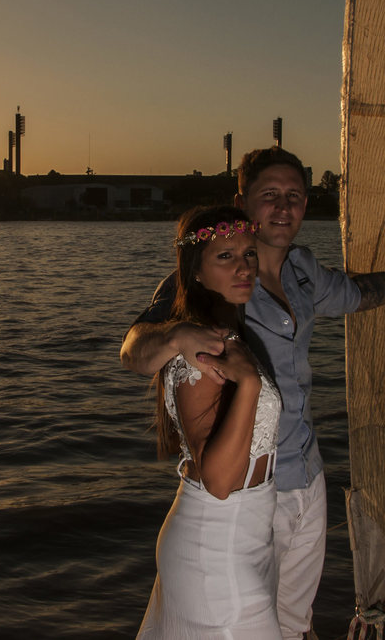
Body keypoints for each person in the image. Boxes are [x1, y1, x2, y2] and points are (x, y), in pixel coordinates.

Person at [122, 147, 385, 640]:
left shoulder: (304, 271)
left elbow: (362, 292)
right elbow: (134, 348)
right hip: (252, 493)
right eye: (270, 196)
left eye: (296, 197)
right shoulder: (211, 278)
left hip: (308, 474)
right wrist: (175, 338)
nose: (284, 208)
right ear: (243, 201)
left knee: (295, 623)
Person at [138, 205, 284, 639]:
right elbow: (219, 480)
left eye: (249, 254)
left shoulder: (227, 334)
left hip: (248, 539)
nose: (244, 267)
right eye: (225, 256)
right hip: (216, 551)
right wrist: (251, 387)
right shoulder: (201, 350)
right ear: (196, 272)